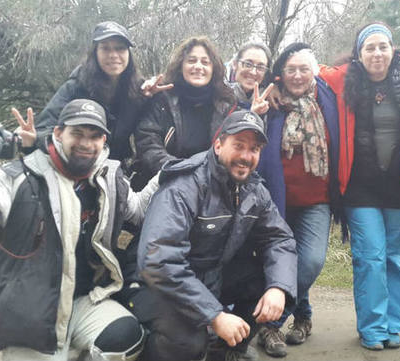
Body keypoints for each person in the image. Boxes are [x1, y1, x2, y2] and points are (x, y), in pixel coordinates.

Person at [0, 99, 161, 360]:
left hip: (85, 301)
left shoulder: (109, 178)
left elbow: (139, 210)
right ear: (58, 133)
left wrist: (167, 175)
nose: (86, 143)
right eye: (77, 133)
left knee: (126, 337)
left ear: (104, 141)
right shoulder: (17, 177)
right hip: (29, 309)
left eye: (95, 136)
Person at [132, 110, 297, 361]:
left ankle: (226, 351)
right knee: (188, 343)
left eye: (253, 149)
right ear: (218, 145)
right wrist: (215, 315)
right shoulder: (185, 184)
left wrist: (278, 288)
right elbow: (158, 260)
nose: (245, 156)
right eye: (238, 145)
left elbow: (279, 239)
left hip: (210, 276)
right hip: (155, 286)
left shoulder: (254, 189)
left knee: (268, 279)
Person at [317, 22, 400, 350]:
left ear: (393, 49)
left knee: (395, 256)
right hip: (359, 188)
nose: (377, 53)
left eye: (383, 46)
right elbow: (304, 72)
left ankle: (395, 324)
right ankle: (372, 327)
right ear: (359, 53)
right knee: (370, 257)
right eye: (370, 47)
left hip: (398, 186)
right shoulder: (341, 80)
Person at [254, 43, 340, 358]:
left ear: (314, 72)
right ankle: (302, 318)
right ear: (280, 74)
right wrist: (269, 88)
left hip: (317, 199)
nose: (298, 75)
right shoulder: (270, 101)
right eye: (291, 69)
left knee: (311, 261)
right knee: (280, 262)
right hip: (276, 199)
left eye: (304, 69)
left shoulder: (328, 97)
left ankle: (271, 321)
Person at [34, 21, 162, 177]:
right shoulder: (76, 86)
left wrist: (154, 98)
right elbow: (42, 132)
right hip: (78, 170)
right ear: (95, 53)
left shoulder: (139, 90)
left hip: (117, 172)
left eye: (120, 48)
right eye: (105, 48)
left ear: (128, 53)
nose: (113, 55)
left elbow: (152, 130)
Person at [133, 36, 237, 189]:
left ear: (213, 68)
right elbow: (147, 141)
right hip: (163, 182)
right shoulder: (162, 98)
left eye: (205, 62)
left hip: (211, 186)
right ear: (180, 65)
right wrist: (180, 171)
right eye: (191, 60)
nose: (198, 66)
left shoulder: (225, 104)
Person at [228, 41, 274, 115]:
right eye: (248, 64)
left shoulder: (270, 102)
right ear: (235, 64)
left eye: (260, 67)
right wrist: (252, 115)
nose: (253, 72)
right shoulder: (219, 93)